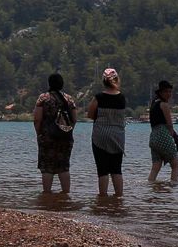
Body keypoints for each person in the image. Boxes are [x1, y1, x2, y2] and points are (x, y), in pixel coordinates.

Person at [86, 67, 127, 196]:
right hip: (118, 136)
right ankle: (119, 198)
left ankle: (102, 198)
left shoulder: (99, 97)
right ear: (116, 80)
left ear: (103, 82)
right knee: (116, 169)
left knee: (102, 169)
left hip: (100, 135)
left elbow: (90, 115)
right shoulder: (122, 98)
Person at [33, 73, 77, 193]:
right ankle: (66, 196)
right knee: (64, 167)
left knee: (47, 168)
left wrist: (39, 134)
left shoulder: (43, 98)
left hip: (47, 136)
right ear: (62, 84)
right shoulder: (69, 99)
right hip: (65, 137)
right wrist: (67, 130)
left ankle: (46, 195)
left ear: (49, 83)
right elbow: (74, 119)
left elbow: (37, 119)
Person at [147, 80, 178, 182]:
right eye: (166, 92)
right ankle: (174, 186)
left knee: (156, 166)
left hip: (153, 136)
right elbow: (170, 124)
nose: (169, 94)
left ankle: (151, 185)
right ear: (160, 92)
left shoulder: (154, 104)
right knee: (175, 164)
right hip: (163, 134)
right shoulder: (164, 105)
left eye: (170, 92)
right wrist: (172, 137)